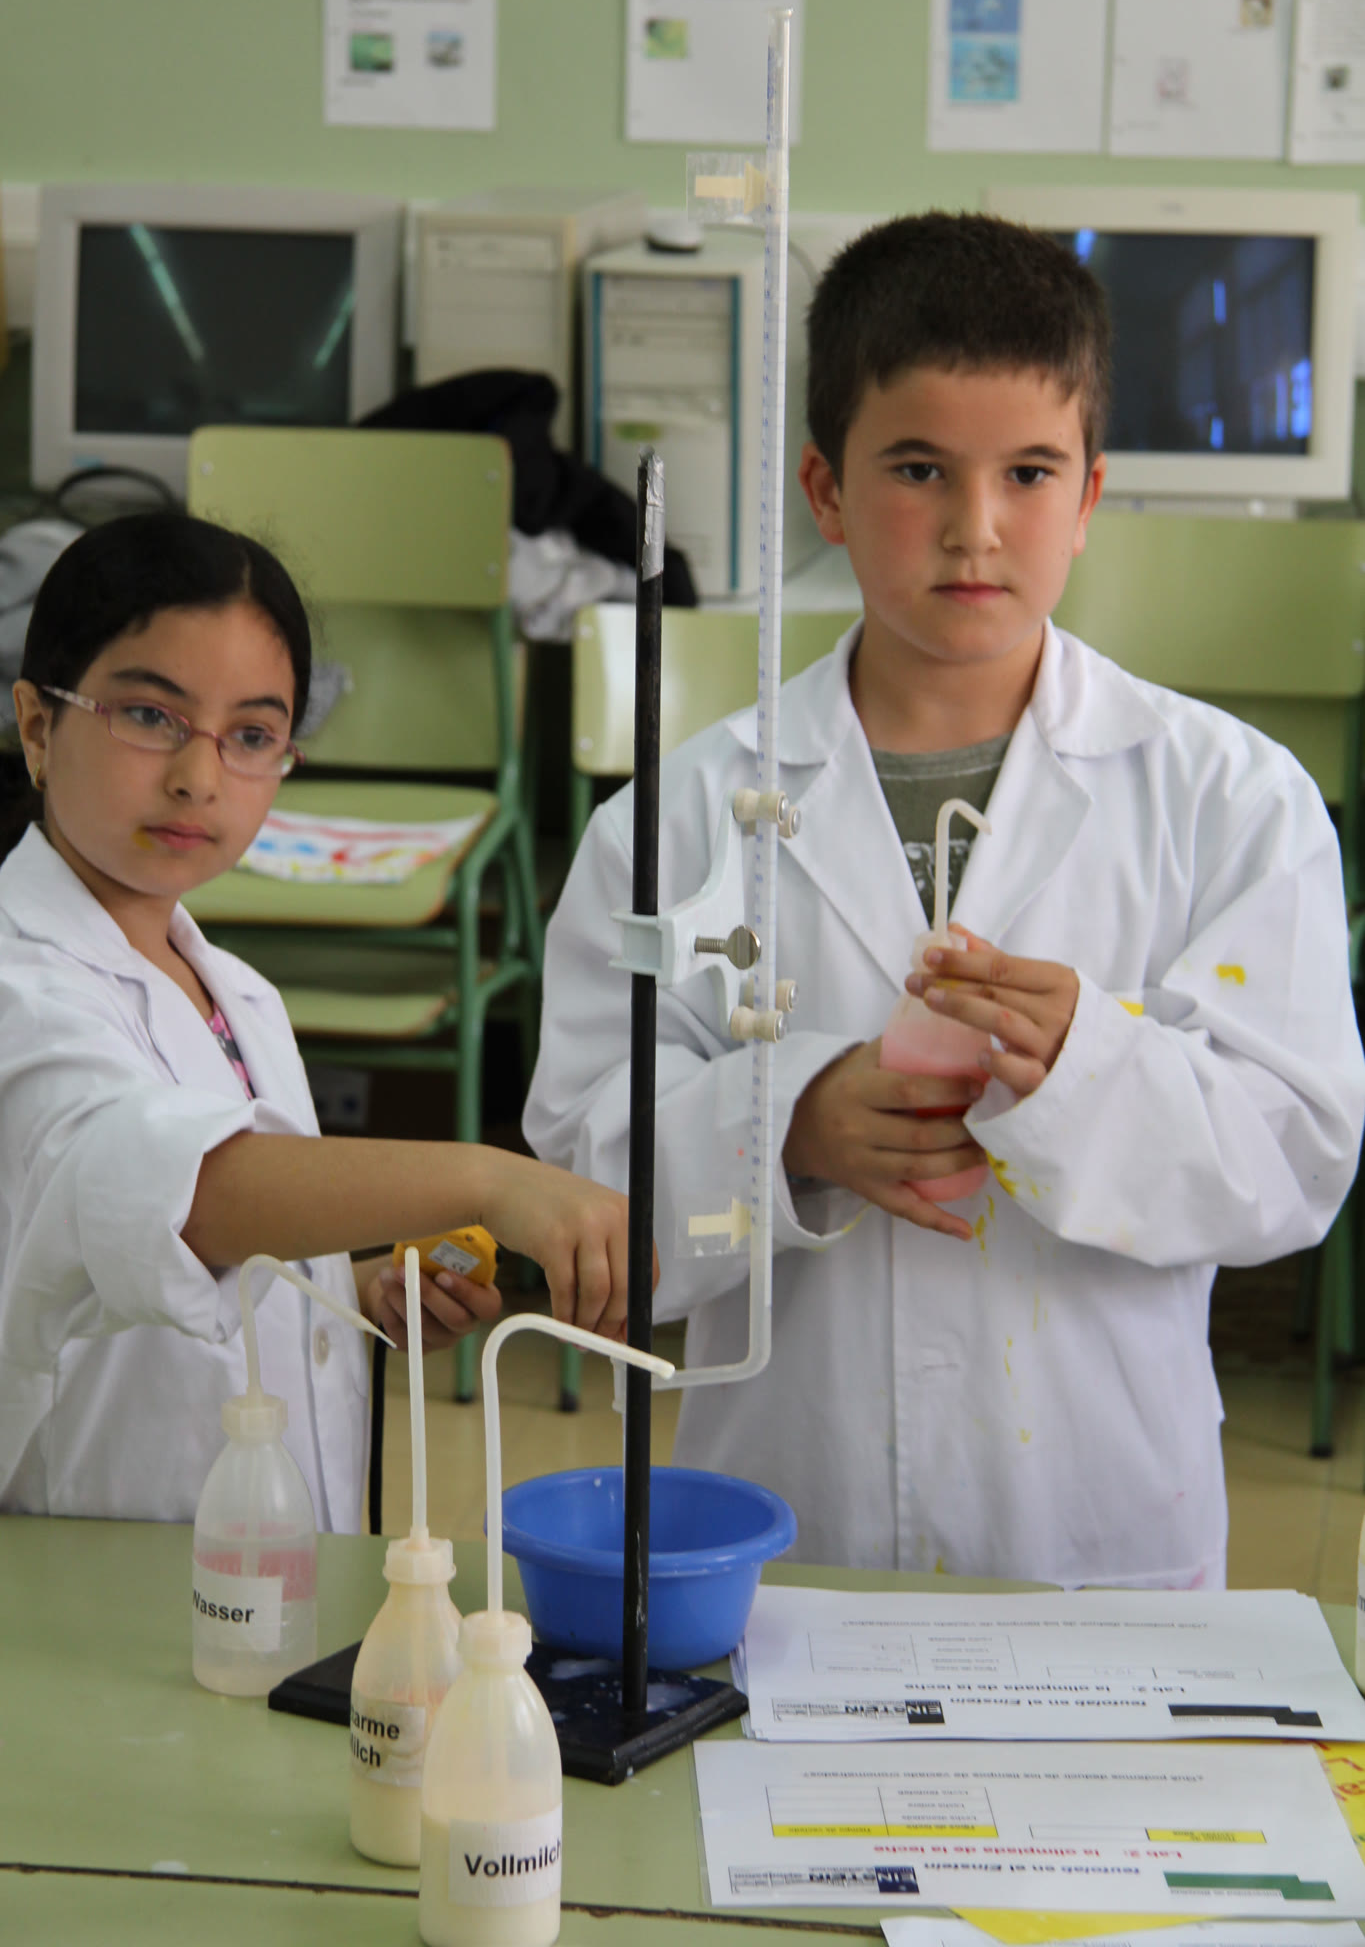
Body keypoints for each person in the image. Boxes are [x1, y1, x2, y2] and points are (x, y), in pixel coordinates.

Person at [524, 211, 1365, 1586]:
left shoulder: (1230, 800)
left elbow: (1295, 1159)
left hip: (1094, 1524)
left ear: (1088, 497)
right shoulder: (677, 820)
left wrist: (1085, 1067)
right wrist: (786, 1122)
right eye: (919, 468)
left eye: (1029, 472)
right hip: (790, 1510)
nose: (977, 528)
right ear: (825, 490)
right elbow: (576, 1164)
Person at [0, 512, 637, 1529]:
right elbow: (184, 1194)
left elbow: (224, 1255)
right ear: (38, 726)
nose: (199, 775)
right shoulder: (20, 984)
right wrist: (491, 1176)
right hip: (98, 1558)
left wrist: (357, 1289)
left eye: (252, 735)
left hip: (254, 1562)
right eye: (150, 715)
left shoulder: (236, 993)